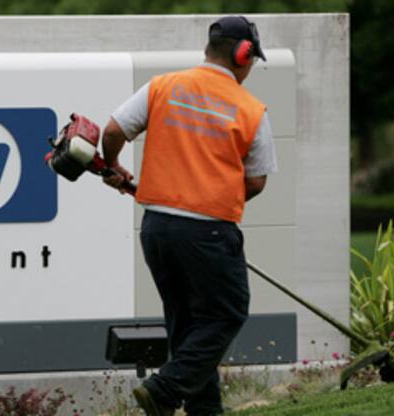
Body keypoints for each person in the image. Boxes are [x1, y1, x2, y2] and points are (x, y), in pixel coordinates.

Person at [101, 16, 277, 416]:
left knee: (187, 323)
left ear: (207, 50)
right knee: (227, 313)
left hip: (157, 229)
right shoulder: (250, 109)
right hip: (210, 232)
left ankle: (204, 410)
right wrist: (215, 197)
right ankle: (164, 390)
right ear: (243, 54)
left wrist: (113, 166)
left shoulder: (162, 86)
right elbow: (257, 181)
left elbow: (112, 131)